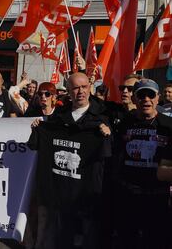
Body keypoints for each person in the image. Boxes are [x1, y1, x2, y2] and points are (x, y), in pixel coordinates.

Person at [28, 72, 111, 249]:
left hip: (84, 198)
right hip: (56, 198)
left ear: (90, 88)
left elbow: (109, 155)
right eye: (75, 88)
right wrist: (38, 127)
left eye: (84, 87)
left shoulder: (102, 120)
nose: (80, 91)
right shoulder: (57, 118)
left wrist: (108, 136)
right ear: (68, 91)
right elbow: (34, 145)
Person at [114, 79, 172, 249]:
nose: (146, 99)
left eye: (151, 95)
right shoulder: (123, 124)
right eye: (141, 95)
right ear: (134, 99)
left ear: (157, 98)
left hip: (157, 198)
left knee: (156, 241)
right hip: (128, 196)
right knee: (126, 240)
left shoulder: (168, 126)